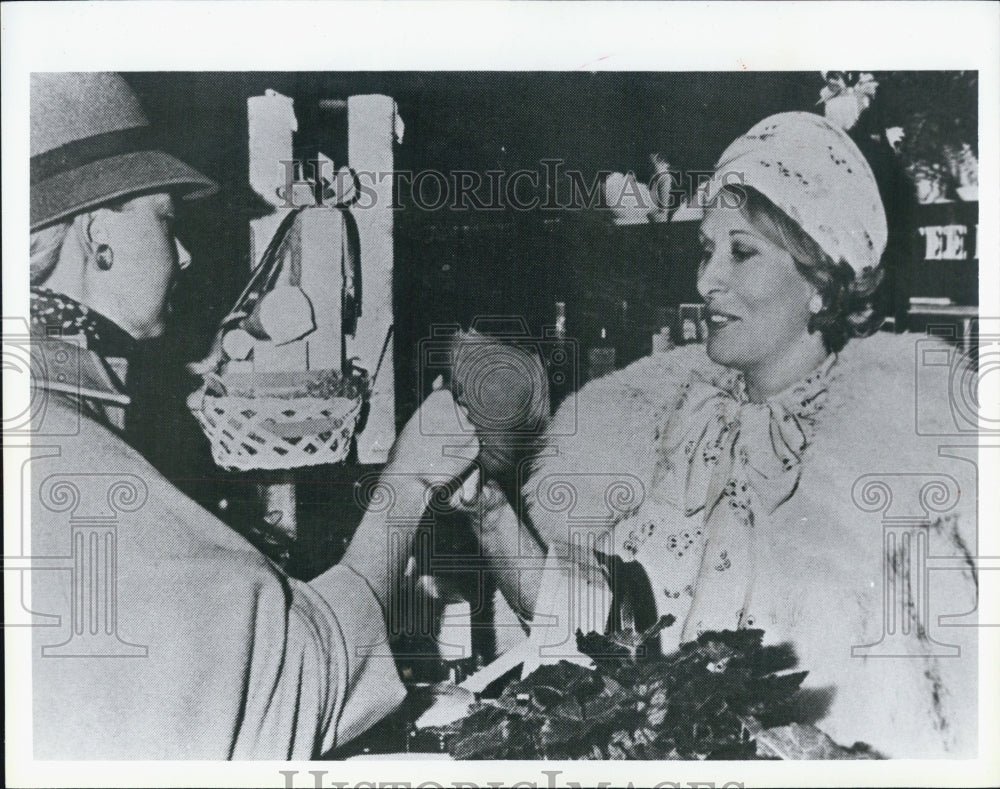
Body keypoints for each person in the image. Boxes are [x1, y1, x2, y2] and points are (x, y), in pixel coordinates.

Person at [475, 112, 979, 757]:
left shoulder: (897, 450)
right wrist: (490, 514)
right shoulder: (687, 427)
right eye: (706, 250)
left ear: (822, 279)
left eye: (741, 252)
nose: (706, 280)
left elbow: (938, 709)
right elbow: (627, 645)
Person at [27, 72, 479, 758]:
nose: (182, 254)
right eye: (165, 219)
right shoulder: (65, 447)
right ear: (96, 234)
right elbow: (297, 682)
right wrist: (409, 483)